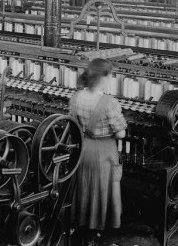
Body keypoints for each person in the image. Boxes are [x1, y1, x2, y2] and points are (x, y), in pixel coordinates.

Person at [69, 58, 127, 246]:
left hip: (83, 149)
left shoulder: (76, 97)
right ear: (103, 77)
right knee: (101, 189)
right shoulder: (109, 102)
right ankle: (94, 232)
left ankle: (80, 226)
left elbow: (73, 124)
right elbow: (120, 134)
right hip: (103, 152)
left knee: (84, 186)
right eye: (110, 76)